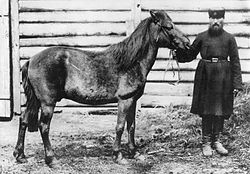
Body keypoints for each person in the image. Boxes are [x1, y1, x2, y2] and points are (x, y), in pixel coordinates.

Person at [174, 7, 243, 156]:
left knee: (220, 110)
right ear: (209, 19)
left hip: (224, 77)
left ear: (223, 20)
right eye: (213, 18)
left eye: (219, 18)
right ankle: (205, 143)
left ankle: (216, 141)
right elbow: (190, 54)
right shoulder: (201, 37)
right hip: (205, 76)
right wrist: (177, 53)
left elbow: (236, 61)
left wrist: (237, 84)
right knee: (206, 110)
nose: (216, 21)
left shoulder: (229, 38)